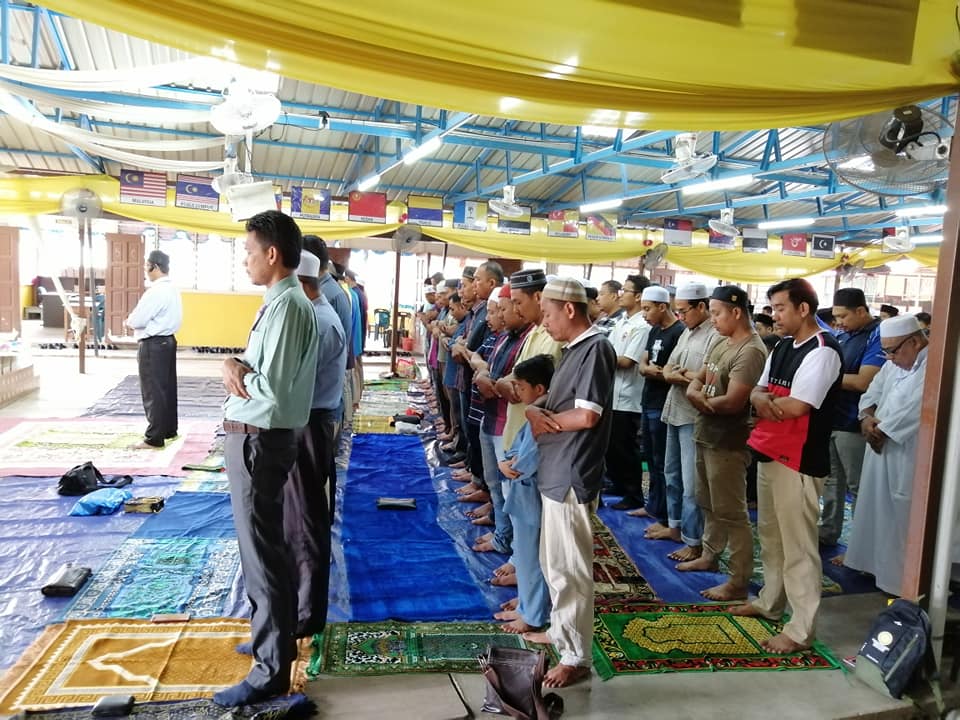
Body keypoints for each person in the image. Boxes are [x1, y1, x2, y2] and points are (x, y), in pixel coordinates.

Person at [215, 210, 319, 707]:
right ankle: (270, 640)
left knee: (263, 554)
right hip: (258, 437)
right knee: (263, 549)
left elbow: (270, 388)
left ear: (272, 254)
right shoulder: (281, 303)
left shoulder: (289, 307)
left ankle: (271, 669)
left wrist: (235, 371)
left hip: (261, 439)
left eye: (249, 252)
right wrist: (237, 364)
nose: (245, 261)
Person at [733, 278, 843, 654]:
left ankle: (800, 629)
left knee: (798, 546)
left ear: (803, 309)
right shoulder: (782, 346)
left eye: (780, 308)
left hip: (799, 459)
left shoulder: (823, 350)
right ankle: (770, 601)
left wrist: (766, 403)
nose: (774, 315)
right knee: (771, 536)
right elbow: (756, 391)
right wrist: (765, 402)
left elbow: (797, 407)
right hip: (770, 450)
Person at [521, 277, 616, 689]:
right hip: (557, 468)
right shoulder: (574, 349)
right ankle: (562, 633)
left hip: (572, 472)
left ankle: (576, 657)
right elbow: (559, 400)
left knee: (570, 571)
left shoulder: (596, 349)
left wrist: (546, 420)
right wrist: (535, 410)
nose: (544, 323)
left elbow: (587, 415)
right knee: (554, 563)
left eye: (547, 314)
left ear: (570, 309)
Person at [678, 286, 766, 601]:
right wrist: (698, 395)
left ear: (736, 312)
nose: (712, 319)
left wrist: (699, 399)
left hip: (729, 442)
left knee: (732, 512)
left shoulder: (751, 351)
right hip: (706, 432)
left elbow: (732, 402)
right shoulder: (720, 340)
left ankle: (739, 579)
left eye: (716, 313)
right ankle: (710, 553)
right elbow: (698, 379)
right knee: (707, 501)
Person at [284, 251, 346, 639]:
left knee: (307, 520)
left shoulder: (320, 322)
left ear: (301, 285)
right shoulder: (314, 316)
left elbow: (292, 383)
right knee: (300, 517)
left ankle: (306, 613)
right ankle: (300, 604)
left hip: (310, 424)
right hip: (308, 422)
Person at [843, 316, 928, 595]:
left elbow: (919, 408)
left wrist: (882, 431)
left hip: (908, 453)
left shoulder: (934, 366)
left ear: (914, 342)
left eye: (893, 351)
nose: (889, 358)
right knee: (875, 508)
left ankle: (900, 582)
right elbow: (872, 392)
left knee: (901, 516)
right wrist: (866, 419)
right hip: (879, 446)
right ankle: (873, 566)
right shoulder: (893, 364)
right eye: (886, 352)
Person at [819, 288, 884, 557]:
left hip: (855, 423)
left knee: (858, 487)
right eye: (835, 317)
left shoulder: (877, 336)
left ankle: (861, 549)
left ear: (861, 311)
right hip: (833, 419)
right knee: (831, 481)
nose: (839, 322)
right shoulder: (844, 335)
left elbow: (863, 382)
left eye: (843, 316)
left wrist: (824, 376)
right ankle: (827, 531)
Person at [654, 282, 716, 561]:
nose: (680, 317)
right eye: (677, 311)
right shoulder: (687, 332)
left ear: (701, 306)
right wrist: (680, 375)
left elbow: (708, 378)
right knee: (672, 474)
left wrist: (681, 375)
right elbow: (668, 368)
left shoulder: (714, 336)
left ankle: (694, 541)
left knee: (692, 485)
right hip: (675, 410)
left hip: (694, 416)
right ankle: (675, 526)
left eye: (683, 311)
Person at [495, 353, 555, 633]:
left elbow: (525, 462)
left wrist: (509, 464)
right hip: (524, 494)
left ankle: (533, 615)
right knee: (526, 553)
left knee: (532, 560)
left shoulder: (542, 417)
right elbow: (517, 449)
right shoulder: (533, 412)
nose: (516, 391)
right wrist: (507, 460)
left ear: (539, 388)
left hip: (532, 494)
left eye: (520, 386)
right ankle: (527, 605)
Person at [633, 285, 684, 525]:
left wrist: (657, 372)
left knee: (664, 461)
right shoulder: (654, 330)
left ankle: (666, 514)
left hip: (664, 403)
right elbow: (643, 364)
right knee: (650, 458)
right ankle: (653, 504)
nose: (644, 314)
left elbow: (675, 371)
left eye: (647, 309)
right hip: (648, 399)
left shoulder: (679, 332)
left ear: (662, 307)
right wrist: (649, 370)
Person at [125, 249, 182, 449]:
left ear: (154, 266)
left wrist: (128, 322)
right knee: (167, 387)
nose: (145, 270)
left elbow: (138, 320)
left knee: (153, 390)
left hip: (153, 344)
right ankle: (168, 429)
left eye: (146, 266)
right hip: (168, 341)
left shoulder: (156, 291)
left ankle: (154, 438)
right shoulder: (172, 289)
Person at [604, 274, 650, 509]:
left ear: (639, 296)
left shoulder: (642, 326)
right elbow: (609, 351)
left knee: (626, 448)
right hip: (613, 393)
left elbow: (626, 361)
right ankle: (620, 484)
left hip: (629, 397)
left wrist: (599, 358)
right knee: (613, 446)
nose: (621, 294)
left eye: (626, 290)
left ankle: (634, 494)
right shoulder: (622, 321)